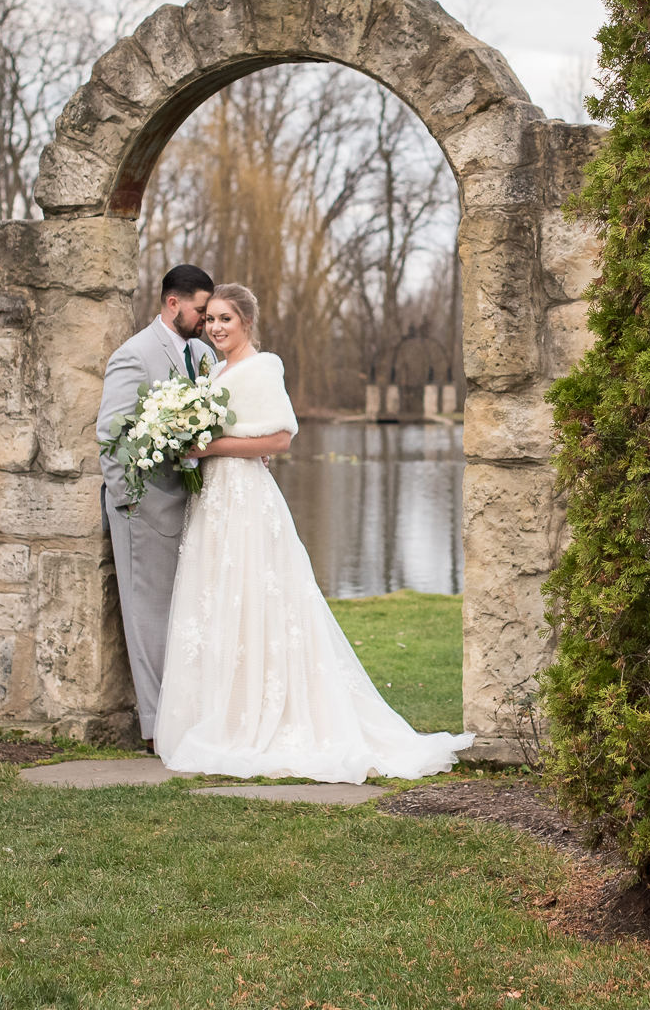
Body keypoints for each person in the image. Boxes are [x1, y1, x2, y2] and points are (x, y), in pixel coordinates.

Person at [155, 284, 474, 782]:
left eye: (226, 320)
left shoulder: (263, 367)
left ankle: (269, 716)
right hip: (214, 498)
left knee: (258, 598)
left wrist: (210, 446)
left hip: (245, 499)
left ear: (247, 323)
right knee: (219, 599)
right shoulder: (214, 371)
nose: (216, 328)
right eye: (211, 319)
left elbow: (280, 437)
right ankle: (222, 711)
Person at [97, 264, 217, 744]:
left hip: (191, 504)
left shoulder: (205, 355)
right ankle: (155, 730)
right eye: (201, 311)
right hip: (144, 509)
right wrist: (131, 506)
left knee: (187, 613)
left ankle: (189, 716)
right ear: (173, 304)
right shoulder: (134, 356)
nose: (206, 321)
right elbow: (111, 436)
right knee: (148, 618)